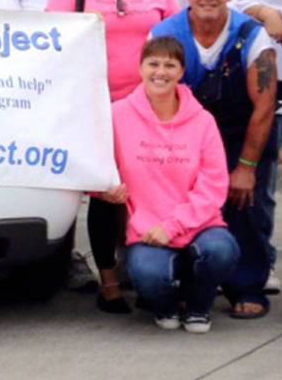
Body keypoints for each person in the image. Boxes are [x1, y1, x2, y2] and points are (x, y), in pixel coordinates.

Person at [46, 0, 180, 313]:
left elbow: (174, 40)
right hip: (93, 105)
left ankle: (140, 266)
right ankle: (108, 284)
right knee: (106, 191)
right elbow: (50, 39)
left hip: (145, 105)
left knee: (143, 188)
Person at [152, 0, 277, 319]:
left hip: (241, 131)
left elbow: (265, 107)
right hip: (184, 135)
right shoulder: (164, 34)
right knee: (181, 206)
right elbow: (154, 96)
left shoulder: (251, 34)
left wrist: (246, 167)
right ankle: (186, 284)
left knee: (244, 204)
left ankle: (247, 286)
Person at [100, 37, 239, 332]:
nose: (160, 72)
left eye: (169, 65)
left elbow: (213, 185)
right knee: (149, 274)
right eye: (153, 64)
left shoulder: (203, 121)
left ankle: (198, 307)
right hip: (147, 230)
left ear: (181, 71)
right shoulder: (117, 115)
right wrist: (104, 189)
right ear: (140, 68)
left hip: (199, 225)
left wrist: (174, 226)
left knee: (222, 250)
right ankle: (165, 307)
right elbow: (98, 164)